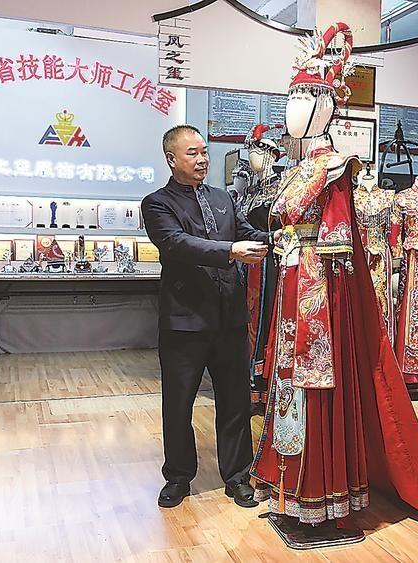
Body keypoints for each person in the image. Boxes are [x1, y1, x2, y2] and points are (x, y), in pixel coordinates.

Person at [141, 124, 274, 509]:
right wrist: (231, 250)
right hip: (184, 321)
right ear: (172, 159)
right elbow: (176, 244)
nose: (202, 159)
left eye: (204, 152)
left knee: (235, 401)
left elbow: (248, 232)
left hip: (229, 318)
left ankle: (238, 477)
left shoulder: (223, 198)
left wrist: (284, 237)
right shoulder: (157, 203)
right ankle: (178, 477)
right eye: (192, 153)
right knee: (178, 403)